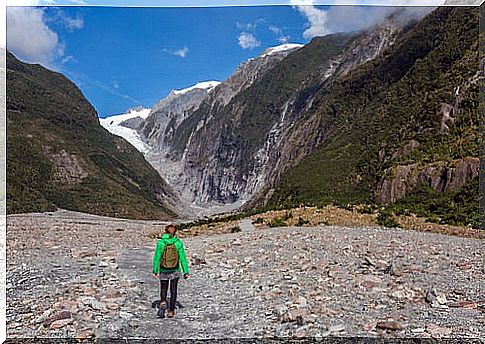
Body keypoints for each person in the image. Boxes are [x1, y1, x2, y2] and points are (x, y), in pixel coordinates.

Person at [152, 224, 190, 318]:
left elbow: (157, 257)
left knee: (163, 287)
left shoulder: (161, 242)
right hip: (175, 269)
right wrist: (186, 271)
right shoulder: (178, 243)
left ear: (165, 231)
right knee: (173, 290)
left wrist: (155, 270)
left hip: (163, 269)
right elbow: (182, 258)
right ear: (175, 232)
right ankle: (171, 310)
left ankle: (163, 302)